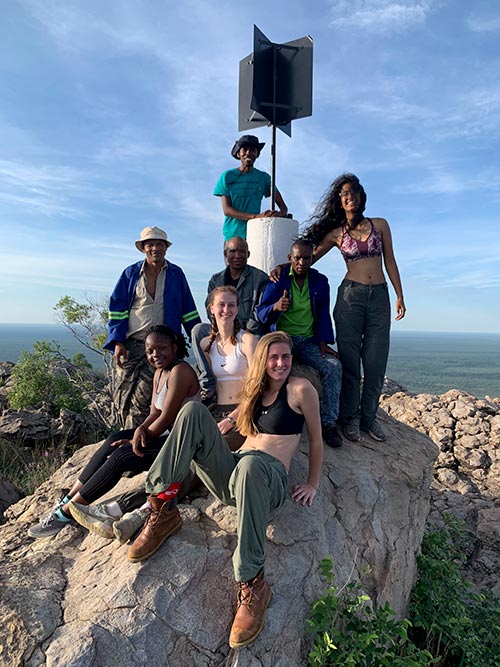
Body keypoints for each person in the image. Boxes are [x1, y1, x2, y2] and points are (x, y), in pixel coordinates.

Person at [125, 331, 323, 650]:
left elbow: (315, 439)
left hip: (266, 477)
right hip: (235, 472)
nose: (281, 363)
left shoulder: (300, 389)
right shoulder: (255, 391)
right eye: (274, 357)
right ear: (262, 361)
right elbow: (238, 412)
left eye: (286, 356)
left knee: (251, 465)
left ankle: (252, 582)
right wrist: (227, 421)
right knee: (191, 412)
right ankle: (161, 506)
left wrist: (312, 483)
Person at [27, 326, 200, 540]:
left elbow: (166, 418)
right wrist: (139, 431)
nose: (156, 354)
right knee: (113, 439)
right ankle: (69, 498)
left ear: (174, 347)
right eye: (150, 351)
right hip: (167, 436)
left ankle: (68, 512)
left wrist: (135, 441)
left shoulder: (180, 371)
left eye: (162, 348)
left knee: (123, 456)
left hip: (183, 444)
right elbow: (155, 411)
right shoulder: (159, 373)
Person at [301, 173, 406, 442]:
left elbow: (390, 261)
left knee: (375, 362)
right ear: (340, 200)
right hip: (350, 298)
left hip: (379, 297)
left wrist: (399, 295)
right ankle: (348, 418)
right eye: (345, 193)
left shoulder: (380, 225)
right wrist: (285, 267)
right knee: (349, 362)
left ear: (361, 197)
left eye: (355, 192)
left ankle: (368, 419)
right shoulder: (337, 234)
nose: (350, 197)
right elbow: (309, 258)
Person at [104, 226, 201, 428]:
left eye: (159, 244)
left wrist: (201, 339)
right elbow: (117, 309)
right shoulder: (130, 274)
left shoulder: (176, 274)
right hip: (132, 345)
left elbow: (188, 310)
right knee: (122, 395)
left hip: (161, 349)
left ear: (166, 248)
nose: (154, 248)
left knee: (146, 397)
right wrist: (117, 341)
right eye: (150, 244)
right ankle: (124, 432)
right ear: (143, 249)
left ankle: (137, 438)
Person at [257, 239, 343, 448]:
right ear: (290, 258)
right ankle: (262, 417)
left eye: (307, 258)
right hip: (282, 339)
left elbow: (323, 313)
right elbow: (260, 313)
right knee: (268, 369)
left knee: (333, 367)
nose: (302, 262)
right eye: (297, 258)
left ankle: (328, 424)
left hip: (307, 341)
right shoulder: (278, 280)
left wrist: (323, 341)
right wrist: (276, 306)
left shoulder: (320, 281)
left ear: (313, 259)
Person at [191, 236, 268, 403]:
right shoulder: (215, 280)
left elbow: (260, 309)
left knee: (257, 342)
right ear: (225, 254)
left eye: (242, 251)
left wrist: (245, 331)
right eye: (233, 251)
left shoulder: (260, 278)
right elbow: (210, 308)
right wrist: (223, 328)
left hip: (249, 330)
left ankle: (253, 391)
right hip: (222, 328)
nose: (237, 255)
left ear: (248, 254)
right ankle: (208, 384)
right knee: (197, 331)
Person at [200, 285, 257, 451]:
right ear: (212, 309)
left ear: (237, 309)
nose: (226, 309)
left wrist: (232, 419)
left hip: (242, 413)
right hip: (217, 411)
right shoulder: (206, 344)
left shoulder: (247, 341)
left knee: (212, 450)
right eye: (221, 305)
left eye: (231, 305)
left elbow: (257, 387)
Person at [214, 135, 288, 241]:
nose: (248, 153)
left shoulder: (264, 178)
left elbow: (283, 207)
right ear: (238, 153)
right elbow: (227, 210)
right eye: (245, 149)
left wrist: (278, 215)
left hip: (255, 233)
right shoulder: (227, 176)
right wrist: (256, 217)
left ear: (257, 154)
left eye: (253, 150)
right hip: (232, 235)